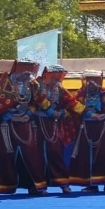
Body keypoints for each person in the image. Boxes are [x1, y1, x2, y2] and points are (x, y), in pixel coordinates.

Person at [0, 59, 48, 196]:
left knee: (32, 155)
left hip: (25, 124)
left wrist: (29, 113)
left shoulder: (33, 84)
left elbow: (36, 103)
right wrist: (11, 116)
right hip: (5, 126)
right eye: (23, 74)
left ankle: (36, 186)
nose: (26, 77)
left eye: (28, 74)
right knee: (2, 155)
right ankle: (0, 187)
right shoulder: (4, 84)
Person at [69, 70, 105, 193]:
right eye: (89, 80)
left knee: (104, 154)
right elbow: (73, 106)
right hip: (86, 127)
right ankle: (91, 184)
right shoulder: (81, 94)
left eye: (95, 80)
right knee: (86, 155)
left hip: (103, 127)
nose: (91, 83)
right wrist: (89, 114)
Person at [34, 64, 78, 193]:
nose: (56, 79)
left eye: (59, 77)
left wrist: (64, 113)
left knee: (56, 152)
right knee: (36, 155)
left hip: (54, 125)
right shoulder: (35, 86)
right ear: (46, 75)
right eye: (54, 76)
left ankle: (63, 183)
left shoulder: (60, 89)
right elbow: (34, 101)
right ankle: (39, 186)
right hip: (36, 124)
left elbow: (72, 104)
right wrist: (50, 112)